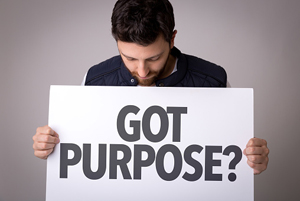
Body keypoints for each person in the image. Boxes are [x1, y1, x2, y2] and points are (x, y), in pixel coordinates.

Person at [32, 0, 269, 175]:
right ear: (117, 43)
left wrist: (252, 159)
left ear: (172, 39)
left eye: (153, 58)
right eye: (130, 58)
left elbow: (229, 159)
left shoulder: (213, 80)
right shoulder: (95, 80)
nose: (142, 71)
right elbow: (80, 154)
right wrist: (50, 147)